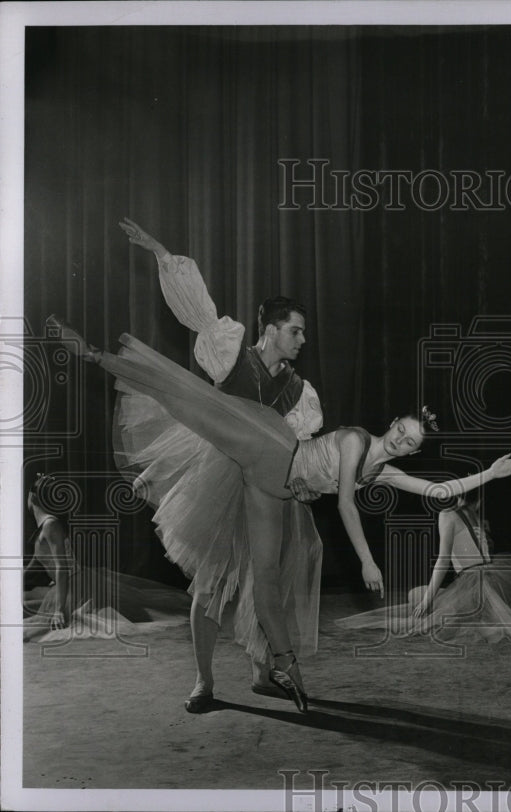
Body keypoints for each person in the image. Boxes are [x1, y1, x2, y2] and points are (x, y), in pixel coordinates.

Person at [50, 319, 511, 711]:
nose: (402, 440)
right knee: (195, 405)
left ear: (413, 450)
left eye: (411, 443)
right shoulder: (358, 441)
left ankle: (283, 665)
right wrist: (367, 561)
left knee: (269, 583)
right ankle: (95, 355)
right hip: (270, 448)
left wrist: (490, 473)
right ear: (393, 423)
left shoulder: (381, 472)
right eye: (402, 430)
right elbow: (342, 504)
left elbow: (438, 488)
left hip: (275, 494)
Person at [117, 218, 333, 713]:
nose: (302, 340)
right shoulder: (229, 348)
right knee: (212, 584)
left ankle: (263, 673)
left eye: (304, 332)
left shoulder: (303, 394)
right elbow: (198, 307)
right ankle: (204, 682)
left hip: (265, 487)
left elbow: (300, 450)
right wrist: (160, 251)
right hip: (215, 475)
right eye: (295, 331)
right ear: (271, 329)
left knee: (265, 581)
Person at [337, 489, 511, 642]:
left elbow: (444, 559)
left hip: (477, 581)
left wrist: (428, 598)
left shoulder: (448, 514)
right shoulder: (471, 512)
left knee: (417, 598)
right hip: (496, 575)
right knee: (434, 598)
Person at [23, 474, 189, 642]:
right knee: (27, 608)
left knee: (38, 625)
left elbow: (61, 567)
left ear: (33, 497)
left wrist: (59, 609)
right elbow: (38, 565)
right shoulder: (44, 527)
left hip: (76, 585)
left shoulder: (51, 525)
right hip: (66, 585)